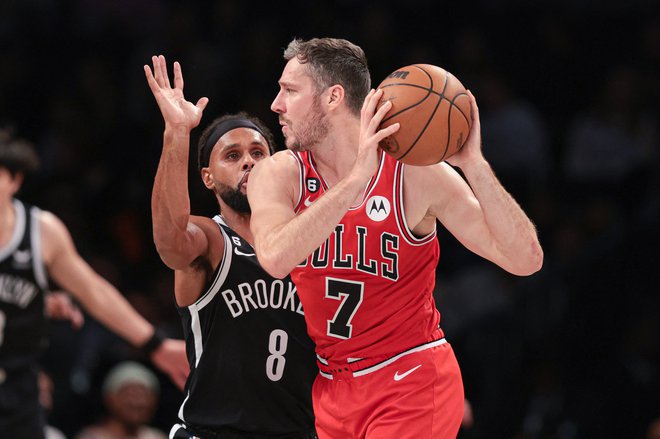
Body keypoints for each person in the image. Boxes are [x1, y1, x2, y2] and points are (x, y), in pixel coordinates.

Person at [247, 37, 544, 438]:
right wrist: (354, 183)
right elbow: (276, 258)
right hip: (333, 388)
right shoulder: (278, 174)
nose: (276, 104)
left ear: (333, 97)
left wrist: (473, 165)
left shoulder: (415, 173)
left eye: (290, 90)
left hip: (411, 376)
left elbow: (526, 260)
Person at [144, 55, 317, 438]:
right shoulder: (212, 240)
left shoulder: (308, 239)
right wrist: (177, 133)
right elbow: (170, 242)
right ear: (207, 177)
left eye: (258, 153)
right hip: (213, 431)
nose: (249, 163)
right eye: (233, 156)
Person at [0, 128, 189, 439]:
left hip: (17, 394)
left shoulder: (41, 231)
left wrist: (155, 344)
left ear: (14, 180)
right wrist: (40, 302)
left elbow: (93, 292)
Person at [75, 361, 167, 439]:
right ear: (110, 398)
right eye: (130, 395)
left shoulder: (156, 436)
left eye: (144, 396)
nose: (137, 403)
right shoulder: (90, 437)